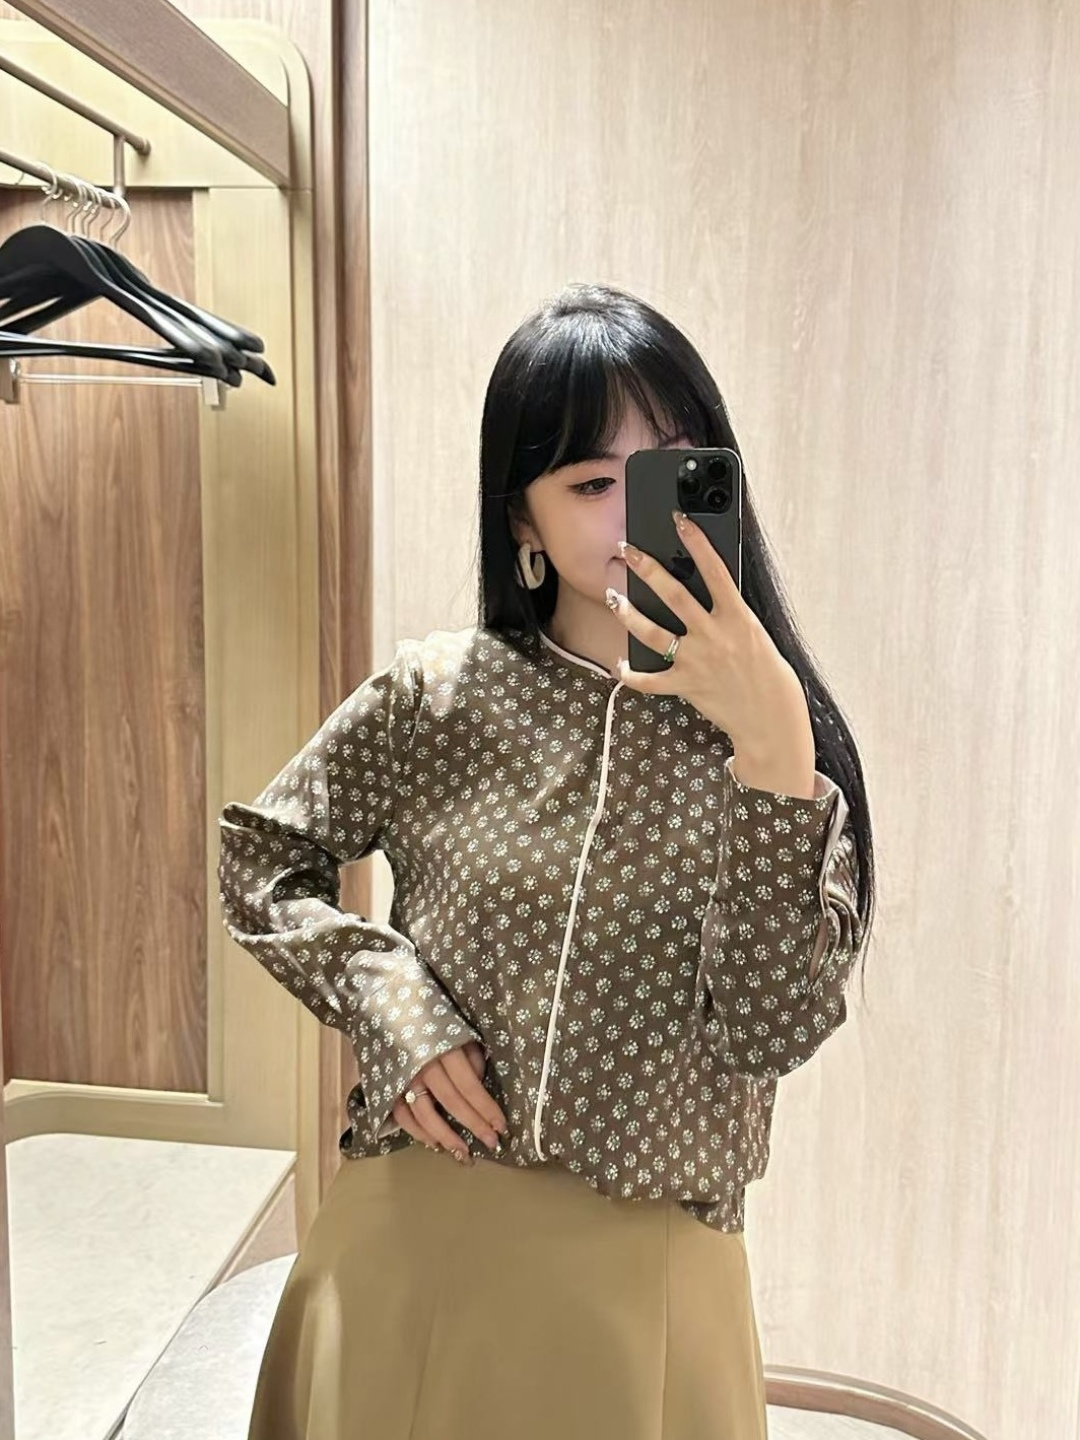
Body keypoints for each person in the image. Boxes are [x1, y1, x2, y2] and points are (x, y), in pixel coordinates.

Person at [217, 281, 876, 1440]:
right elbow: (260, 858)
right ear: (520, 520)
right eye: (588, 483)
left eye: (668, 468)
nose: (633, 512)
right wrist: (390, 1000)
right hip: (411, 1243)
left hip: (644, 1289)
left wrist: (775, 754)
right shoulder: (437, 697)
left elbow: (768, 1030)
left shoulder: (779, 742)